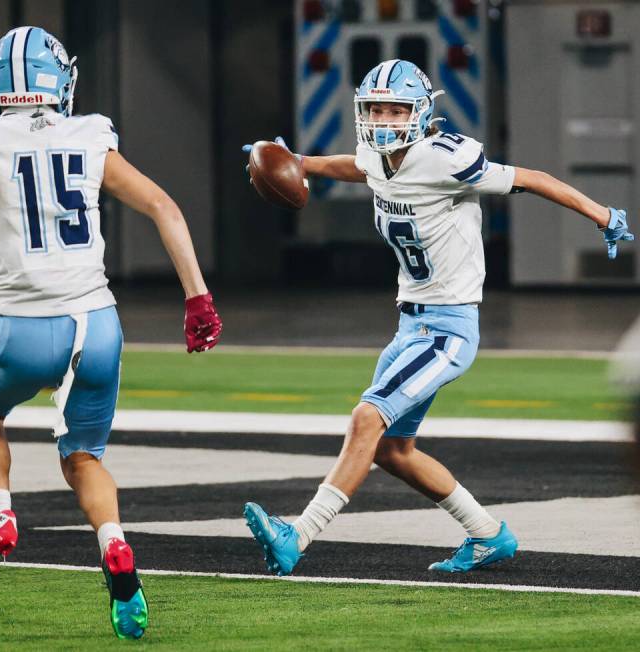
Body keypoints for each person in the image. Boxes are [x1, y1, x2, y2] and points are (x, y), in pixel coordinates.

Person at [0, 27, 223, 639]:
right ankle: (116, 548)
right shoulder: (91, 132)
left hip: (23, 324)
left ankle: (0, 515)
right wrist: (197, 296)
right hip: (97, 324)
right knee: (83, 455)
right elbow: (166, 208)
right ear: (60, 79)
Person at [242, 59, 633, 576]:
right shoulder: (379, 159)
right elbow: (355, 166)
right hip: (409, 325)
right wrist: (300, 162)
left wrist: (602, 215)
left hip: (448, 329)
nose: (383, 119)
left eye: (395, 109)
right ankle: (489, 534)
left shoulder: (446, 159)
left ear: (422, 113)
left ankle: (299, 535)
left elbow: (532, 179)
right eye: (374, 109)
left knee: (367, 418)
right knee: (393, 451)